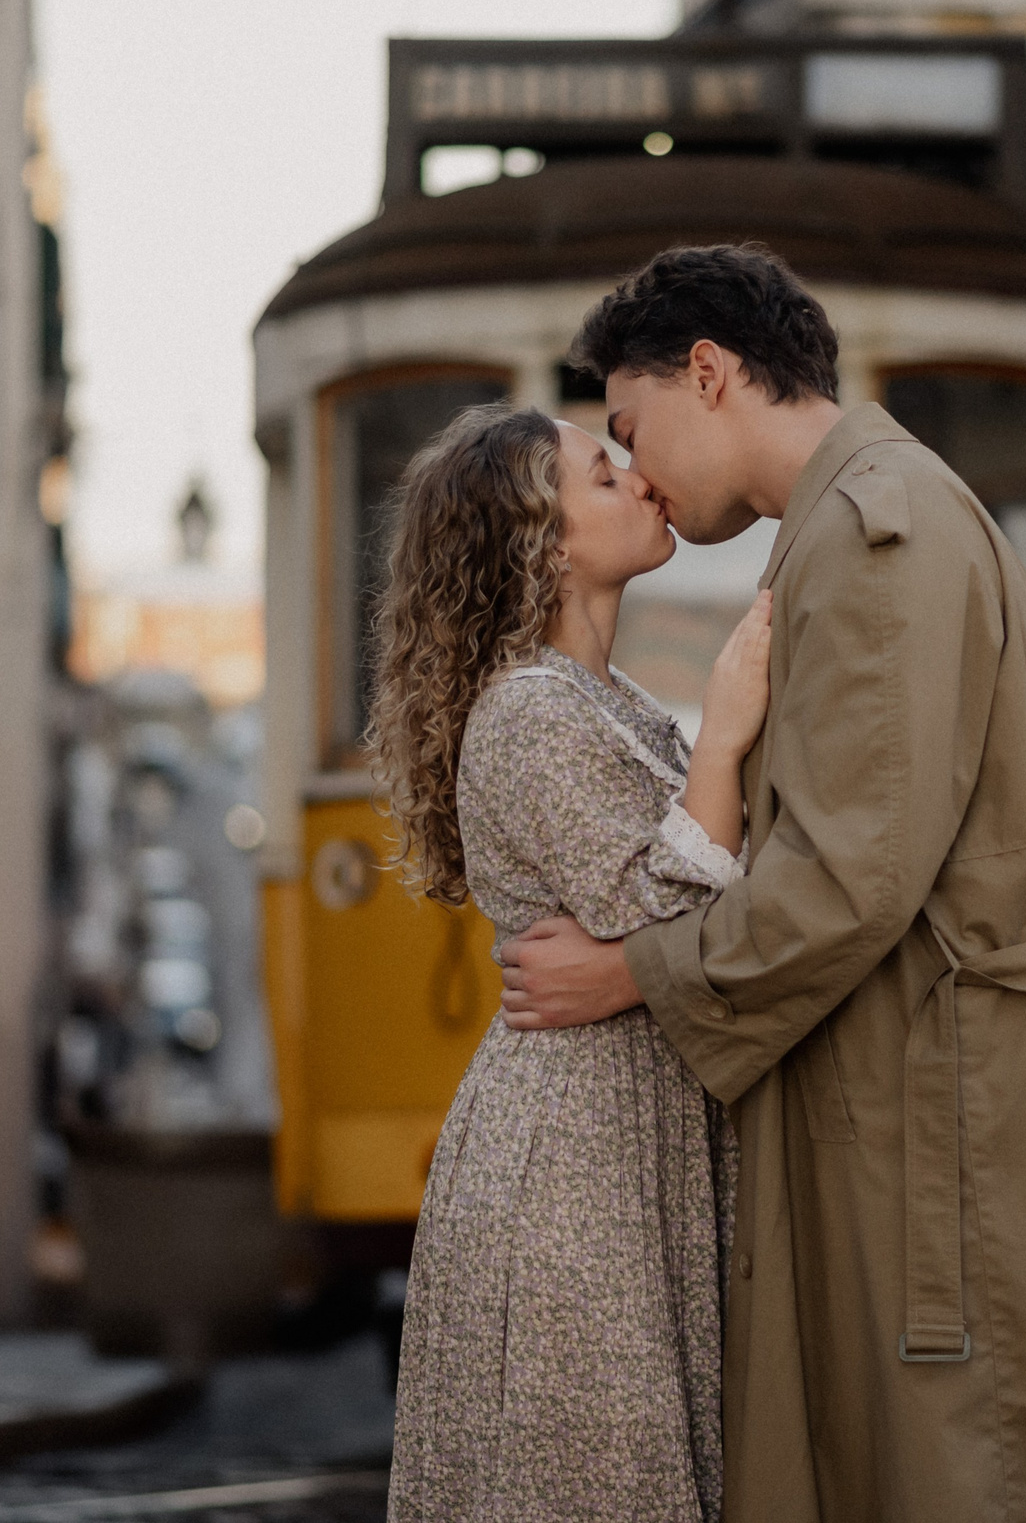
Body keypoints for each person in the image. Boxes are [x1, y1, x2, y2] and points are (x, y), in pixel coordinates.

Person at [502, 244, 1026, 1523]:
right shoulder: (857, 517)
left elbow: (846, 877)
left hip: (932, 1124)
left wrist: (625, 972)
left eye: (630, 426)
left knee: (952, 1467)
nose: (637, 467)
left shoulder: (875, 533)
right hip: (913, 1101)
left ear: (707, 373)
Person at [370, 402, 775, 1523]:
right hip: (573, 1155)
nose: (644, 482)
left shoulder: (606, 700)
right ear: (546, 539)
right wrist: (733, 724)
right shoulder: (531, 713)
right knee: (598, 1467)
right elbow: (668, 897)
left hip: (618, 1125)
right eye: (607, 476)